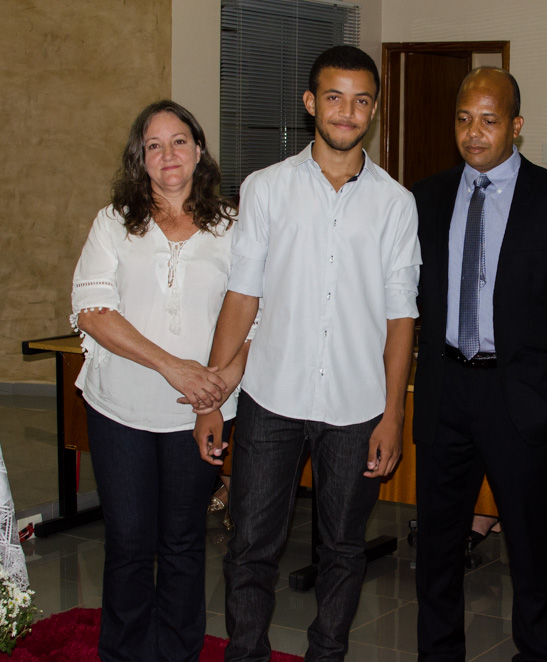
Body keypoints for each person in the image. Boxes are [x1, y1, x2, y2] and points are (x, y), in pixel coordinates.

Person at [193, 45, 421, 661]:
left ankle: (327, 654)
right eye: (334, 97)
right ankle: (246, 654)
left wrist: (393, 414)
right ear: (310, 103)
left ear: (374, 110)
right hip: (272, 398)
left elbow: (401, 317)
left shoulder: (396, 203)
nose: (347, 111)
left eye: (361, 100)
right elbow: (242, 297)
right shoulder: (266, 189)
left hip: (356, 407)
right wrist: (212, 399)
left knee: (343, 550)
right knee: (250, 548)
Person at [411, 67, 547, 662]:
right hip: (445, 391)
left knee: (530, 546)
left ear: (516, 126)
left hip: (521, 397)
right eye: (464, 119)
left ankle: (539, 654)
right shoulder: (424, 197)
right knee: (437, 549)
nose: (474, 133)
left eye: (489, 120)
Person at [70, 100, 249, 661]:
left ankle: (177, 654)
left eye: (179, 141)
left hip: (202, 413)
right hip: (120, 408)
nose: (168, 154)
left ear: (199, 150)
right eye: (154, 145)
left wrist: (217, 389)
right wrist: (174, 366)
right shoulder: (114, 222)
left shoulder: (233, 227)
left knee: (183, 542)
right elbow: (93, 312)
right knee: (128, 542)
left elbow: (255, 321)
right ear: (139, 158)